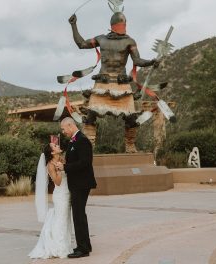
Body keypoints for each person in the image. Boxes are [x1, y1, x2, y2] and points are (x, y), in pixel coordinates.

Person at [68, 12, 159, 153]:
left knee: (130, 117)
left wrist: (151, 62)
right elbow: (81, 44)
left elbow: (137, 61)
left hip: (121, 84)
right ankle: (88, 146)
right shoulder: (101, 39)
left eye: (125, 24)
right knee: (91, 115)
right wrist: (74, 25)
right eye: (122, 24)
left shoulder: (129, 41)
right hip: (102, 84)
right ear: (115, 25)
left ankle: (130, 145)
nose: (124, 27)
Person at [54, 117, 97, 258]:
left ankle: (83, 249)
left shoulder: (82, 140)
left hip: (81, 184)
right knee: (78, 215)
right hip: (76, 184)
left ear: (70, 125)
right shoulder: (74, 141)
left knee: (78, 215)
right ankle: (84, 246)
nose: (63, 131)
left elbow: (85, 163)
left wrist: (65, 167)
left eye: (63, 128)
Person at [28, 143, 73, 259]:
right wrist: (59, 169)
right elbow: (57, 182)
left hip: (67, 193)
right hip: (60, 195)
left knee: (66, 219)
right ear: (52, 152)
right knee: (61, 219)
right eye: (55, 146)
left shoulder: (62, 159)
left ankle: (65, 245)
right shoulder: (50, 165)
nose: (58, 146)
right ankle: (58, 247)